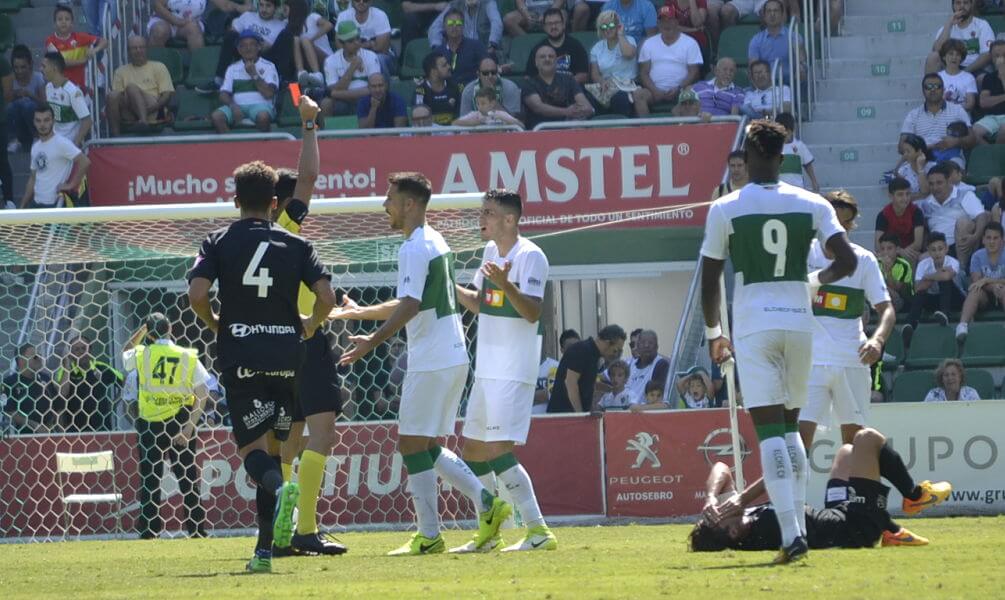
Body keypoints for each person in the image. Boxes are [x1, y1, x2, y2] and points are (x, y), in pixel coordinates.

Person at [700, 118, 857, 564]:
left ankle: (792, 536)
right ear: (782, 157)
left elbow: (710, 280)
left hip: (754, 326)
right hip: (800, 325)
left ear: (747, 158)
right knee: (791, 432)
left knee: (770, 432)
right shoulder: (811, 203)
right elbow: (845, 260)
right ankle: (798, 528)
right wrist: (814, 280)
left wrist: (715, 334)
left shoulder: (725, 207)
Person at [330, 172, 512, 556]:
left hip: (431, 359)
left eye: (390, 198)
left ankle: (431, 533)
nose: (385, 205)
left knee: (411, 443)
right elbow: (414, 300)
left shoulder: (413, 247)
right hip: (451, 355)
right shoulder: (435, 240)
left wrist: (370, 343)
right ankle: (486, 504)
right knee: (423, 443)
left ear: (410, 204)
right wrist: (358, 313)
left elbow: (410, 307)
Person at [187, 157, 337, 573]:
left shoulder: (217, 241)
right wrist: (310, 325)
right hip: (288, 355)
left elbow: (197, 294)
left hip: (242, 354)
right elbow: (327, 298)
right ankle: (263, 553)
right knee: (274, 448)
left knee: (257, 455)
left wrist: (216, 323)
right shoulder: (298, 243)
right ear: (275, 203)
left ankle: (279, 488)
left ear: (235, 200)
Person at [451, 188, 558, 553]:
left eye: (489, 212)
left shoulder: (531, 256)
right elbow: (481, 305)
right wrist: (448, 287)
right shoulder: (489, 253)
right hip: (487, 369)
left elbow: (531, 312)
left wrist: (505, 283)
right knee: (474, 451)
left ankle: (538, 530)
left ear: (510, 220)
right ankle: (492, 530)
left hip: (514, 369)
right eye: (482, 211)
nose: (482, 218)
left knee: (498, 449)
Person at [265, 96, 349, 556]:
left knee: (291, 439)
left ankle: (284, 526)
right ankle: (306, 529)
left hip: (276, 348)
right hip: (306, 339)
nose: (308, 199)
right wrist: (310, 123)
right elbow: (311, 176)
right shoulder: (285, 227)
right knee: (321, 432)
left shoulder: (254, 237)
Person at [692, 428, 953, 552]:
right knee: (866, 439)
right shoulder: (760, 533)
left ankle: (893, 531)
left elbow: (721, 467)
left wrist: (712, 497)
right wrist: (742, 499)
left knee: (846, 452)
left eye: (725, 525)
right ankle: (915, 496)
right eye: (729, 535)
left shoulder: (736, 516)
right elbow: (777, 476)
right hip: (855, 527)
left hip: (835, 512)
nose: (734, 530)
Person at [802, 190, 895, 447]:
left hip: (851, 361)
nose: (839, 230)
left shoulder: (864, 260)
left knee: (854, 444)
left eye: (846, 224)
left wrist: (877, 341)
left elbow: (887, 310)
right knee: (798, 443)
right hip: (810, 363)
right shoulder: (802, 254)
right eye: (835, 223)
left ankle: (848, 489)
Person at [121, 313, 210, 540]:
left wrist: (142, 331)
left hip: (150, 423)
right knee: (188, 476)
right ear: (171, 329)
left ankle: (149, 530)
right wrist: (190, 426)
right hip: (181, 421)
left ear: (149, 333)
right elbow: (203, 392)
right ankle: (197, 529)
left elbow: (126, 351)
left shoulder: (142, 354)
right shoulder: (186, 355)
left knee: (150, 478)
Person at [917, 161, 988, 270]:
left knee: (963, 222)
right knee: (922, 259)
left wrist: (975, 237)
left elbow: (982, 216)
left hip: (963, 244)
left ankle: (962, 269)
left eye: (939, 183)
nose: (935, 187)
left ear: (949, 181)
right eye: (931, 184)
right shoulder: (926, 204)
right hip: (939, 248)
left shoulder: (964, 195)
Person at [19, 104, 91, 209]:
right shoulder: (35, 147)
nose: (42, 124)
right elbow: (33, 179)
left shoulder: (61, 143)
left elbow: (85, 162)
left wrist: (71, 185)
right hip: (36, 204)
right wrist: (22, 206)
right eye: (38, 121)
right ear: (34, 122)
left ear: (53, 121)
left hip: (55, 205)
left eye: (46, 120)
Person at [547, 325, 627, 413]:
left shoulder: (593, 356)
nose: (616, 355)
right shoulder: (582, 350)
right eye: (615, 350)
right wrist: (580, 414)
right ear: (607, 343)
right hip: (563, 416)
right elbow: (570, 383)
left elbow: (587, 384)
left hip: (571, 416)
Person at [903, 232, 965, 346]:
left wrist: (928, 277)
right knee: (920, 294)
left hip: (955, 299)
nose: (937, 253)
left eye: (940, 249)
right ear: (928, 251)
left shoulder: (952, 261)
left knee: (944, 281)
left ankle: (944, 313)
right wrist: (936, 276)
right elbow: (917, 288)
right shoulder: (923, 264)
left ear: (946, 248)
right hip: (934, 299)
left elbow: (946, 276)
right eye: (933, 250)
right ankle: (910, 324)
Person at [51, 335, 124, 433]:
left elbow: (126, 383)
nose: (81, 352)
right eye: (76, 349)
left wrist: (113, 404)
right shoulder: (65, 371)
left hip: (102, 428)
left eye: (84, 348)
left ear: (90, 350)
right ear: (71, 353)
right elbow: (62, 393)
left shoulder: (102, 368)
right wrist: (67, 367)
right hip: (74, 430)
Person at [211, 30, 278, 133]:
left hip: (261, 106)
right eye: (243, 45)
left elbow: (269, 93)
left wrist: (254, 74)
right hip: (237, 106)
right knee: (217, 117)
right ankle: (231, 145)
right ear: (239, 50)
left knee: (263, 117)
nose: (248, 48)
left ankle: (263, 147)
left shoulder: (269, 66)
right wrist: (233, 106)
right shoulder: (232, 68)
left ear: (259, 47)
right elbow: (223, 94)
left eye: (252, 45)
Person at [587, 10, 651, 117]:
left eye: (611, 25)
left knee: (619, 98)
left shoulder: (629, 40)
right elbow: (595, 74)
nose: (607, 29)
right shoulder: (596, 48)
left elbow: (628, 54)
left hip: (628, 85)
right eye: (603, 27)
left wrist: (621, 35)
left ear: (618, 26)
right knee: (589, 98)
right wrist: (602, 82)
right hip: (607, 86)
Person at [107, 36, 175, 137]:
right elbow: (119, 99)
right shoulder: (120, 71)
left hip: (153, 107)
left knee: (131, 88)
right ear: (128, 51)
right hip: (131, 111)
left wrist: (151, 108)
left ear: (147, 49)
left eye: (141, 47)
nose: (138, 51)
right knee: (112, 96)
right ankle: (116, 137)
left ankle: (143, 122)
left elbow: (167, 94)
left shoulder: (159, 66)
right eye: (134, 48)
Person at [900, 74, 973, 164]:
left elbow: (972, 139)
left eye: (937, 86)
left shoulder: (958, 110)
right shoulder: (913, 115)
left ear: (943, 89)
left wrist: (957, 141)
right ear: (923, 91)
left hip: (951, 159)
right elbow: (901, 147)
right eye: (928, 87)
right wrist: (924, 147)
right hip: (922, 159)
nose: (933, 89)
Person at [639, 5, 702, 107]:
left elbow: (694, 72)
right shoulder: (648, 43)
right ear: (658, 23)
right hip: (654, 92)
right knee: (639, 95)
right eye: (663, 20)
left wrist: (679, 88)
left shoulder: (690, 43)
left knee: (690, 92)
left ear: (677, 22)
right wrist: (655, 90)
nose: (666, 23)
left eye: (670, 19)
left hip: (681, 90)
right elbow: (643, 73)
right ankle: (647, 123)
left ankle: (685, 123)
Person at [523, 45, 594, 128]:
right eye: (542, 57)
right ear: (536, 62)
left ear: (556, 61)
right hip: (540, 131)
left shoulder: (569, 79)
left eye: (551, 56)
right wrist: (567, 111)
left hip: (568, 129)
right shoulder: (528, 83)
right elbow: (538, 107)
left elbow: (586, 106)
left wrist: (580, 111)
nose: (547, 59)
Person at [956, 222, 1005, 342]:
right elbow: (977, 281)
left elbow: (983, 281)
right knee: (974, 290)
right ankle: (962, 325)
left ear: (1002, 240)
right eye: (988, 238)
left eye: (995, 238)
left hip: (1002, 292)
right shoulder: (977, 256)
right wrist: (993, 287)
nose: (991, 241)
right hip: (985, 297)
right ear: (983, 240)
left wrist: (988, 280)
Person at [322, 20, 381, 117]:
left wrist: (338, 94)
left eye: (358, 38)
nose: (356, 43)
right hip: (342, 102)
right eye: (351, 41)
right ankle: (327, 132)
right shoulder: (331, 61)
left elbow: (374, 89)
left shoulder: (371, 56)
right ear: (342, 43)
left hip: (367, 99)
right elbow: (332, 89)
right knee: (326, 103)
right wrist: (352, 68)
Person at [44, 4, 107, 89]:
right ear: (54, 24)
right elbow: (60, 63)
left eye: (67, 19)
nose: (63, 22)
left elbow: (104, 41)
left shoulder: (81, 37)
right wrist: (83, 60)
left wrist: (95, 50)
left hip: (80, 87)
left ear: (72, 23)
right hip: (60, 87)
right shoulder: (50, 41)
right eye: (60, 19)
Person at [926, 0, 994, 76]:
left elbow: (987, 54)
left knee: (982, 78)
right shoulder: (947, 27)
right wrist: (949, 24)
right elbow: (936, 50)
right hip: (950, 67)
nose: (962, 6)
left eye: (965, 2)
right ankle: (931, 86)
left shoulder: (982, 25)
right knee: (932, 58)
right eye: (958, 3)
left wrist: (964, 72)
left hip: (974, 68)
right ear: (953, 6)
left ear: (971, 5)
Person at [148, 0, 252, 50]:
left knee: (193, 28)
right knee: (159, 31)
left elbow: (224, 5)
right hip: (164, 20)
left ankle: (199, 71)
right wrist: (177, 21)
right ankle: (155, 72)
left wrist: (240, 7)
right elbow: (157, 6)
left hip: (190, 23)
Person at [525, 8, 589, 84]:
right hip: (544, 91)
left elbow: (584, 75)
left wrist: (564, 84)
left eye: (557, 23)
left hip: (570, 89)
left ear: (563, 25)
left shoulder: (576, 46)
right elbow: (528, 77)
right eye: (549, 24)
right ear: (544, 27)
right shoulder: (538, 49)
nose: (553, 27)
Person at [42, 52, 92, 150]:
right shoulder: (48, 87)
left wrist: (75, 144)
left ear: (54, 68)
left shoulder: (72, 91)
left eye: (44, 66)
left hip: (68, 146)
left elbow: (87, 121)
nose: (41, 69)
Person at [746, 0, 802, 84]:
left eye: (776, 11)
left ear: (782, 15)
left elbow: (802, 61)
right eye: (769, 11)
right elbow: (753, 67)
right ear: (764, 16)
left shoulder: (794, 36)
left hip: (790, 84)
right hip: (765, 85)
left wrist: (801, 67)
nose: (772, 14)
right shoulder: (756, 40)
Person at [432, 6, 489, 87]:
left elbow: (487, 69)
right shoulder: (437, 52)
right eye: (450, 23)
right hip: (447, 94)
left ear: (463, 26)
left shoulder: (477, 46)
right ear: (444, 27)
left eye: (458, 23)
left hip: (472, 92)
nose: (454, 26)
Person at [336, 0, 395, 77]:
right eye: (357, 0)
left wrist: (352, 46)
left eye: (365, 0)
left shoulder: (380, 15)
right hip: (352, 56)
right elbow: (340, 46)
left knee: (378, 59)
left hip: (381, 56)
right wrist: (370, 44)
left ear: (371, 1)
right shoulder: (343, 16)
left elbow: (381, 49)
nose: (361, 2)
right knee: (339, 60)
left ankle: (382, 87)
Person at [2, 343, 52, 434]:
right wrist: (34, 425)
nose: (39, 358)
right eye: (35, 356)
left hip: (49, 435)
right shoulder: (9, 382)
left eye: (39, 355)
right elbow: (9, 411)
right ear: (21, 360)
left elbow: (57, 404)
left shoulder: (45, 378)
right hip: (22, 437)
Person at [875, 177, 925, 263]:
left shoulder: (916, 212)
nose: (905, 198)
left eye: (908, 194)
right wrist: (898, 251)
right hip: (890, 252)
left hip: (911, 251)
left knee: (910, 257)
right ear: (891, 196)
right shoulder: (883, 215)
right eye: (900, 194)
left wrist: (903, 252)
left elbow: (918, 243)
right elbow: (878, 244)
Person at [7, 45, 46, 153]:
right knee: (11, 106)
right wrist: (14, 95)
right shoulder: (10, 79)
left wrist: (30, 95)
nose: (19, 71)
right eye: (16, 67)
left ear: (30, 65)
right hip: (16, 125)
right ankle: (13, 140)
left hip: (34, 122)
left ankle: (37, 137)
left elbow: (45, 104)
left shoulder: (38, 78)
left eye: (23, 67)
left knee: (28, 105)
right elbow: (5, 104)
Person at [289, 0, 333, 90]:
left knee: (305, 40)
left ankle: (318, 74)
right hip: (306, 63)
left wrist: (311, 40)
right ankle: (300, 72)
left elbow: (329, 25)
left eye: (288, 9)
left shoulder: (312, 17)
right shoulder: (290, 25)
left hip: (327, 59)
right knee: (296, 40)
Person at [428, 0, 504, 52]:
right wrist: (437, 49)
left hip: (485, 50)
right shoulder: (455, 4)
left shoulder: (488, 3)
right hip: (463, 52)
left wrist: (492, 45)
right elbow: (435, 27)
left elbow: (497, 23)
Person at [535, 328, 579, 414]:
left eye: (577, 347)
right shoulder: (519, 370)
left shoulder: (556, 367)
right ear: (562, 350)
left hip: (552, 421)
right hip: (526, 422)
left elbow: (552, 395)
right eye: (570, 348)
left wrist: (526, 396)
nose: (575, 351)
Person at [777, 112, 819, 192]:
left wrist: (814, 181)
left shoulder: (799, 146)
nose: (785, 135)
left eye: (787, 132)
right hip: (780, 190)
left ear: (791, 131)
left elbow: (808, 165)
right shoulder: (774, 148)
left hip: (798, 189)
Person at [415, 52, 461, 125]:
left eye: (448, 64)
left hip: (453, 131)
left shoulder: (455, 87)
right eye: (444, 65)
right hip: (430, 133)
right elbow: (419, 115)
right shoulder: (420, 90)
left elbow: (461, 114)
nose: (449, 67)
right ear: (433, 71)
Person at [624, 330, 669, 404]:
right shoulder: (630, 364)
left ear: (657, 347)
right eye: (643, 342)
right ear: (637, 346)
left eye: (650, 343)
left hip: (645, 411)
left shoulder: (661, 364)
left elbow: (657, 399)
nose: (646, 345)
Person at [937, 39, 978, 113]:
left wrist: (948, 107)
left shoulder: (968, 77)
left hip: (961, 119)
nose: (954, 57)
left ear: (961, 58)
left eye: (958, 54)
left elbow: (970, 104)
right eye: (950, 54)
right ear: (943, 57)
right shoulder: (937, 77)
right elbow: (935, 102)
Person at [877, 233, 915, 312]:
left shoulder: (904, 265)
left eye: (889, 248)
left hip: (902, 299)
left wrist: (888, 271)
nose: (885, 252)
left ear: (897, 250)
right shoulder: (876, 263)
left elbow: (897, 289)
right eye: (882, 249)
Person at [453, 86, 523, 126]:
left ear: (492, 103)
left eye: (483, 103)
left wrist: (504, 120)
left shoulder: (501, 114)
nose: (480, 107)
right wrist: (472, 123)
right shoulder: (474, 115)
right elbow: (454, 123)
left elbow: (521, 126)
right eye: (477, 104)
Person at [894, 134, 936, 200]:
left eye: (908, 151)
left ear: (919, 151)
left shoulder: (933, 167)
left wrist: (920, 168)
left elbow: (926, 191)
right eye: (904, 151)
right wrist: (922, 195)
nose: (905, 155)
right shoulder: (903, 171)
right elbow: (903, 197)